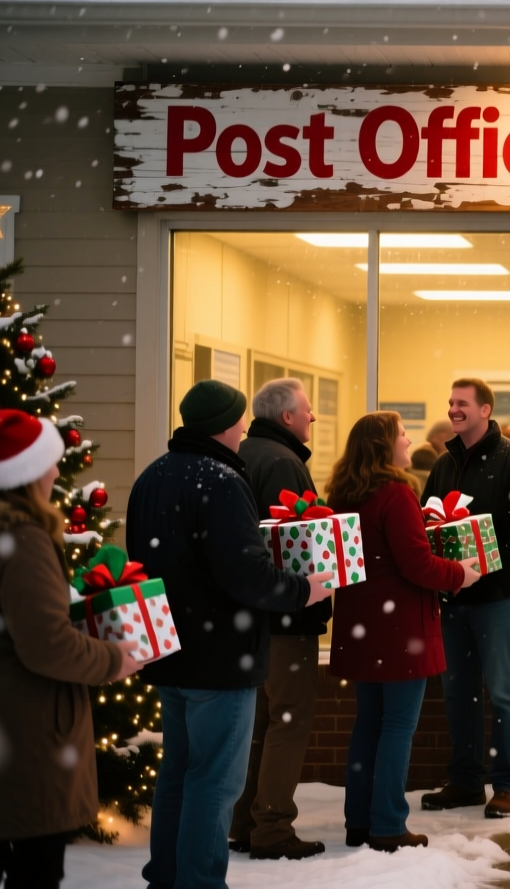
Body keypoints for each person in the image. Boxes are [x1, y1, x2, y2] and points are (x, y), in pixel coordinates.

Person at [128, 380, 335, 889]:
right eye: (239, 419)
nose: (244, 428)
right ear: (226, 423)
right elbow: (245, 573)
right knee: (215, 779)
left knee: (178, 771)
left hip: (171, 649)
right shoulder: (220, 480)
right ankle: (198, 881)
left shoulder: (153, 475)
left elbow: (146, 560)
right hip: (220, 656)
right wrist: (302, 589)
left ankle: (168, 875)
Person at [0, 410, 142, 889]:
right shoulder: (24, 539)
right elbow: (46, 644)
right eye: (50, 463)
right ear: (27, 472)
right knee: (35, 868)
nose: (57, 472)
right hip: (24, 734)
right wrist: (116, 660)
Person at [326, 412, 482, 853]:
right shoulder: (395, 493)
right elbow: (415, 563)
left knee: (368, 724)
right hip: (399, 630)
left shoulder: (345, 494)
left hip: (361, 624)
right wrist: (460, 573)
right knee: (397, 726)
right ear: (383, 446)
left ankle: (359, 820)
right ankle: (389, 824)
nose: (409, 440)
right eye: (401, 434)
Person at [419, 379, 510, 820]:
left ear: (485, 410)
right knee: (458, 692)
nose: (454, 409)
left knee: (503, 690)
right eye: (450, 402)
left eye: (462, 404)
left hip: (496, 598)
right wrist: (445, 575)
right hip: (452, 598)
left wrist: (491, 573)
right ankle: (466, 781)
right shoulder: (443, 464)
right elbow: (427, 526)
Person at [229, 377, 330, 860]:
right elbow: (295, 547)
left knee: (262, 723)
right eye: (307, 410)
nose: (313, 417)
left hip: (249, 616)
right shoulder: (284, 464)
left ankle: (246, 820)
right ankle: (272, 828)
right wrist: (316, 591)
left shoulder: (244, 457)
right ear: (287, 416)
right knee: (287, 722)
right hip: (286, 616)